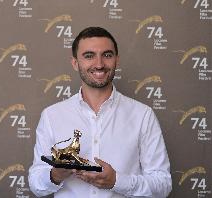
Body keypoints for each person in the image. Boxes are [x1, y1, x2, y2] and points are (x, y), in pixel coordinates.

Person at [28, 27, 172, 198]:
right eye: (89, 56)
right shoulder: (52, 116)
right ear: (75, 63)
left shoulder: (142, 115)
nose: (99, 64)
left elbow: (163, 184)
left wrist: (117, 181)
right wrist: (55, 175)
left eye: (107, 55)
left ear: (116, 60)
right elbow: (36, 183)